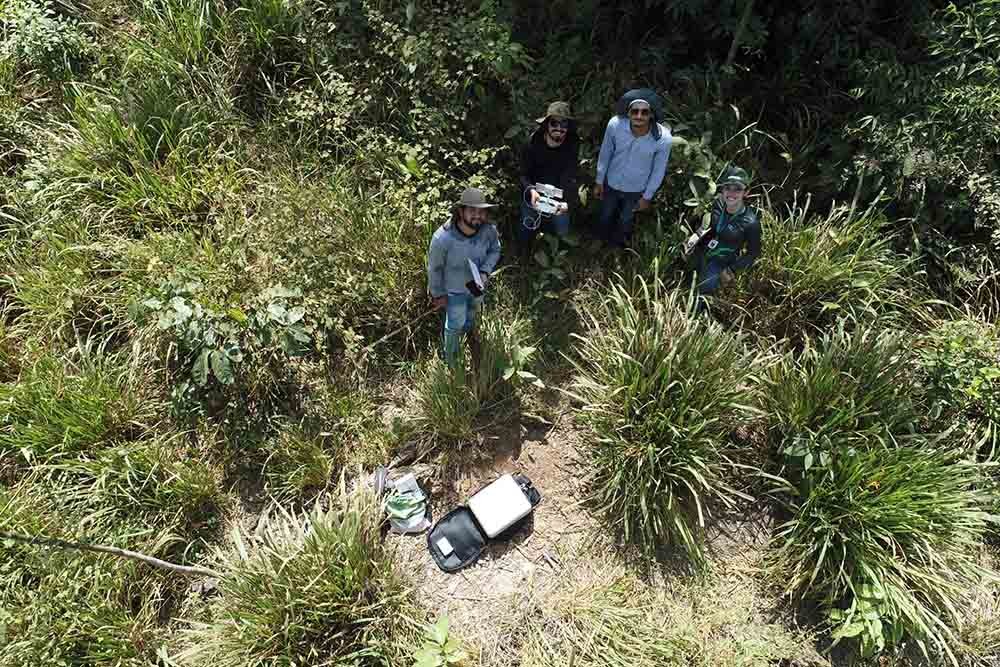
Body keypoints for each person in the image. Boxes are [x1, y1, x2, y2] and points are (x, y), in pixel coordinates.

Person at [427, 187, 502, 367]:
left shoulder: (488, 231)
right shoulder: (443, 238)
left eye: (481, 211)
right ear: (461, 211)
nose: (478, 215)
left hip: (476, 284)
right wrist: (438, 294)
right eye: (472, 211)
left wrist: (485, 271)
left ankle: (469, 333)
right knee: (455, 322)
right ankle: (451, 359)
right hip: (454, 289)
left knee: (473, 310)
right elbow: (434, 269)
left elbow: (495, 249)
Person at [594, 88, 672, 248]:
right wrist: (599, 180)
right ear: (628, 113)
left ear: (651, 115)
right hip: (612, 182)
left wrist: (647, 197)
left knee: (626, 219)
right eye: (634, 111)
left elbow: (658, 170)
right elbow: (605, 153)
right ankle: (599, 241)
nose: (639, 116)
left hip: (636, 189)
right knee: (605, 213)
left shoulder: (663, 139)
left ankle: (617, 247)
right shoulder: (615, 125)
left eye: (644, 112)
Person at [695, 166, 762, 307]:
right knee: (690, 283)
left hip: (720, 263)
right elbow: (712, 229)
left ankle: (696, 320)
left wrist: (731, 270)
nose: (731, 193)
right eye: (727, 188)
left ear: (746, 192)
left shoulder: (751, 223)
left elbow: (753, 253)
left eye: (737, 189)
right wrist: (695, 238)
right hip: (703, 252)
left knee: (704, 295)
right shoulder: (718, 203)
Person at [517, 101, 579, 250]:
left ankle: (560, 258)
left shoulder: (573, 145)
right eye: (554, 123)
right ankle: (523, 257)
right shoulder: (532, 144)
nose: (559, 128)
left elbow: (573, 177)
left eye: (564, 124)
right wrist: (531, 191)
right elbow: (522, 174)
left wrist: (567, 203)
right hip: (534, 195)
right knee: (526, 226)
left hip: (559, 198)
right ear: (546, 124)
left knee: (562, 229)